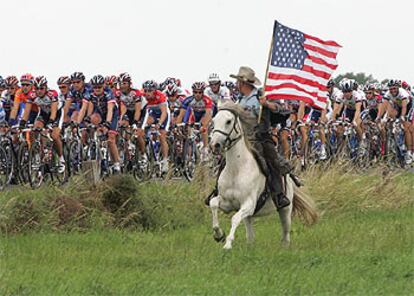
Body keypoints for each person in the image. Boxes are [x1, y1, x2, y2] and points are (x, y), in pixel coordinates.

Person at [206, 66, 293, 210]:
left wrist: (267, 104)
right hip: (242, 139)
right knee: (224, 163)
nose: (236, 85)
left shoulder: (262, 95)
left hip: (260, 137)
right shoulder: (239, 99)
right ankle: (218, 191)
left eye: (238, 82)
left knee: (272, 161)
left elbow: (282, 110)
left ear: (242, 83)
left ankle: (279, 195)